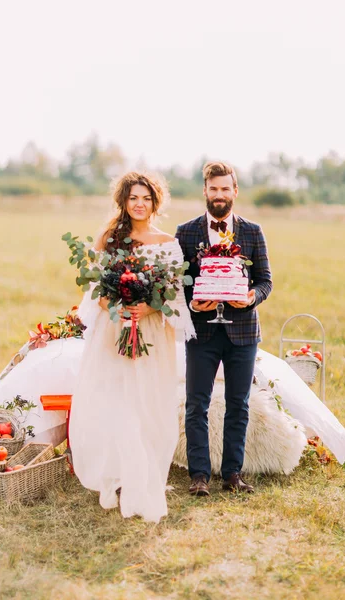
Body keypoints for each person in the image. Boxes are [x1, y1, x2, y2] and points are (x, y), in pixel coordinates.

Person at [68, 171, 195, 523]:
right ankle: (120, 473)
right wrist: (118, 308)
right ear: (124, 201)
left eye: (146, 198)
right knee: (118, 400)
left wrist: (150, 306)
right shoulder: (110, 238)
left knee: (149, 403)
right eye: (133, 198)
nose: (140, 204)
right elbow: (96, 289)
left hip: (153, 332)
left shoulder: (167, 242)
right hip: (115, 331)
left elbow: (174, 290)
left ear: (156, 202)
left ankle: (146, 474)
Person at [175, 161, 273, 496]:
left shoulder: (252, 231)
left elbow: (265, 282)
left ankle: (233, 473)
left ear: (235, 191)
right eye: (213, 189)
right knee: (196, 404)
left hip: (243, 332)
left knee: (238, 404)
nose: (219, 195)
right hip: (201, 333)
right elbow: (178, 284)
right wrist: (192, 303)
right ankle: (199, 475)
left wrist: (250, 298)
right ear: (205, 191)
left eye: (225, 189)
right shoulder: (185, 232)